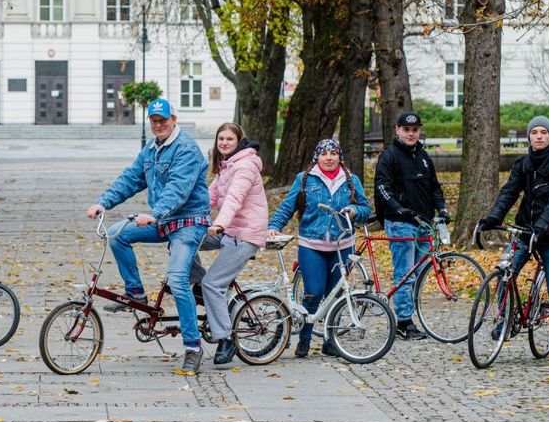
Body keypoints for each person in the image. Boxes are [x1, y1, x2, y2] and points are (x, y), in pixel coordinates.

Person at [86, 98, 211, 376]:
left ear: (174, 119)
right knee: (117, 234)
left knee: (178, 279)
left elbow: (178, 190)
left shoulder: (186, 149)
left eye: (163, 120)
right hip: (163, 220)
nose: (158, 125)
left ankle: (193, 347)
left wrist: (154, 213)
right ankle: (136, 293)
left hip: (188, 223)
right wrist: (103, 203)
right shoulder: (151, 149)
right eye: (154, 120)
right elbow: (131, 179)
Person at [478, 115, 549, 366]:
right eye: (535, 132)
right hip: (524, 232)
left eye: (544, 132)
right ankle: (504, 320)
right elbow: (509, 192)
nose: (539, 136)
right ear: (529, 137)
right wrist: (492, 218)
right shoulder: (523, 164)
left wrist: (541, 228)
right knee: (504, 275)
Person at [266, 139, 371, 358]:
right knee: (313, 293)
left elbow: (365, 209)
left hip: (342, 244)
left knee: (337, 294)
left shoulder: (351, 180)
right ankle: (304, 339)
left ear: (339, 156)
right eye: (324, 154)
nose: (329, 158)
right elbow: (288, 206)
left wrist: (353, 210)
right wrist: (274, 226)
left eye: (333, 153)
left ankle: (330, 340)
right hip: (311, 244)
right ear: (317, 157)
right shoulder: (304, 179)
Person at [190, 122, 268, 366]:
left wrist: (219, 224)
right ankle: (201, 284)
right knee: (184, 238)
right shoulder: (226, 165)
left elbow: (234, 199)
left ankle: (225, 339)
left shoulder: (245, 166)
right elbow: (209, 197)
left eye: (229, 140)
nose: (224, 143)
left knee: (214, 284)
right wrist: (183, 218)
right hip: (228, 231)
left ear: (238, 142)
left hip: (244, 234)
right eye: (220, 139)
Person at [373, 110, 447, 340]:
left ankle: (410, 316)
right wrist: (398, 209)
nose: (411, 134)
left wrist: (442, 208)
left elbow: (434, 187)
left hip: (424, 224)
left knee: (416, 275)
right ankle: (404, 322)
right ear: (397, 130)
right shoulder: (390, 156)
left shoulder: (424, 156)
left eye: (414, 130)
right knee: (405, 274)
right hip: (400, 224)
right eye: (406, 130)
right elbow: (382, 187)